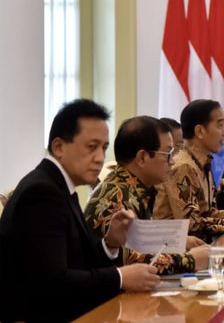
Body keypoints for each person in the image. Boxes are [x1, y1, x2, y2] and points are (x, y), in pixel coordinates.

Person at [0, 99, 159, 322]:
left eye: (104, 148)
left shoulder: (59, 184)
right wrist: (120, 277)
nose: (100, 158)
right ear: (59, 147)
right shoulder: (41, 192)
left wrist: (110, 243)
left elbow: (78, 263)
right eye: (91, 147)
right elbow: (53, 282)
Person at [85, 116, 209, 274]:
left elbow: (141, 240)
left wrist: (177, 241)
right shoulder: (115, 197)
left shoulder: (134, 188)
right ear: (142, 157)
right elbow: (132, 260)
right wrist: (190, 260)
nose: (172, 161)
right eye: (168, 154)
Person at [153, 100, 224, 242]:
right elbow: (191, 226)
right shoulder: (183, 167)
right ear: (200, 131)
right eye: (220, 125)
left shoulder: (205, 161)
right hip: (175, 252)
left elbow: (208, 213)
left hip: (201, 247)